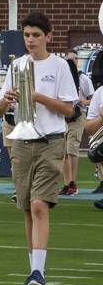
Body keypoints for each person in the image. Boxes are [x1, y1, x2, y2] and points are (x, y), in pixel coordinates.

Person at [0, 12, 77, 285]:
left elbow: (70, 110)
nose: (30, 41)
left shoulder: (60, 66)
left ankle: (38, 272)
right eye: (27, 35)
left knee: (40, 204)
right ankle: (33, 270)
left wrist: (37, 95)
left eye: (36, 35)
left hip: (51, 139)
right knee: (28, 207)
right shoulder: (17, 65)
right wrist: (6, 100)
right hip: (22, 140)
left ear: (48, 36)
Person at [60, 52, 94, 195]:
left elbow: (93, 99)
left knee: (71, 148)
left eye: (74, 59)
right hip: (63, 117)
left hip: (78, 116)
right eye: (68, 59)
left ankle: (73, 182)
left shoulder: (83, 79)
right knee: (63, 151)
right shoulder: (62, 79)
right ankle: (66, 183)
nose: (71, 62)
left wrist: (82, 102)